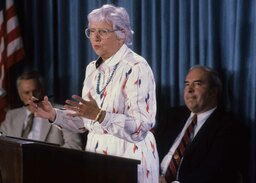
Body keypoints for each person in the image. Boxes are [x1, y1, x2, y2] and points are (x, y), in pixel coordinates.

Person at [28, 4, 159, 183]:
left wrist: (101, 115)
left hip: (129, 156)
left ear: (121, 34)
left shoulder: (136, 67)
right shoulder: (92, 68)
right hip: (96, 155)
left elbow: (141, 126)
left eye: (103, 32)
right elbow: (86, 123)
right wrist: (53, 115)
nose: (95, 37)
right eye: (92, 31)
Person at [156, 65, 249, 183]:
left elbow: (214, 173)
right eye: (186, 84)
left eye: (197, 84)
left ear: (213, 91)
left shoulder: (228, 127)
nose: (189, 90)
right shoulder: (172, 116)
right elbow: (150, 150)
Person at [0, 70, 83, 150]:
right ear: (20, 95)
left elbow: (75, 146)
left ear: (42, 90)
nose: (32, 96)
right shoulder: (12, 115)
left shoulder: (62, 112)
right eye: (26, 92)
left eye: (35, 91)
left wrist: (45, 158)